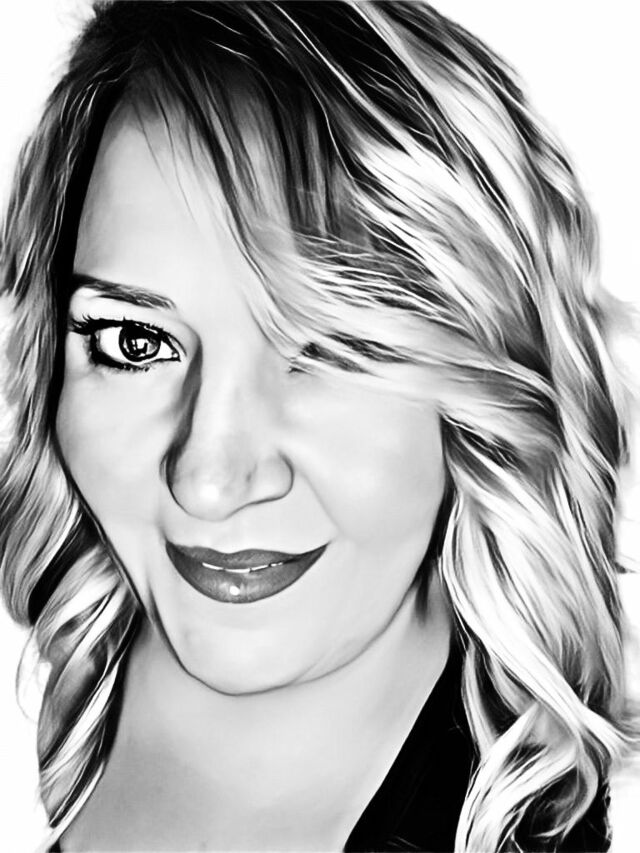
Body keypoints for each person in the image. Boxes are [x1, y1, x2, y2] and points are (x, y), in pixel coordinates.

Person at [0, 1, 636, 850]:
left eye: (330, 350)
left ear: (480, 385)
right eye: (137, 341)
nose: (209, 480)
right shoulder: (89, 671)